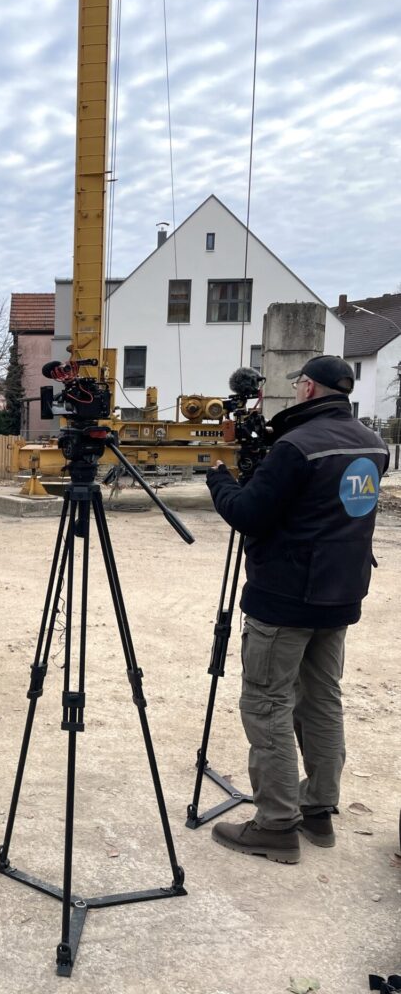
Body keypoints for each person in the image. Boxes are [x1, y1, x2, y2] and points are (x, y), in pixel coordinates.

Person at [206, 355, 389, 864]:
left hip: (286, 596)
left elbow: (249, 514)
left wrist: (220, 478)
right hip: (342, 591)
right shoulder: (374, 444)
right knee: (322, 700)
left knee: (267, 704)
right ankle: (318, 810)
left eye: (299, 383)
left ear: (309, 388)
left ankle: (276, 824)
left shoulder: (295, 447)